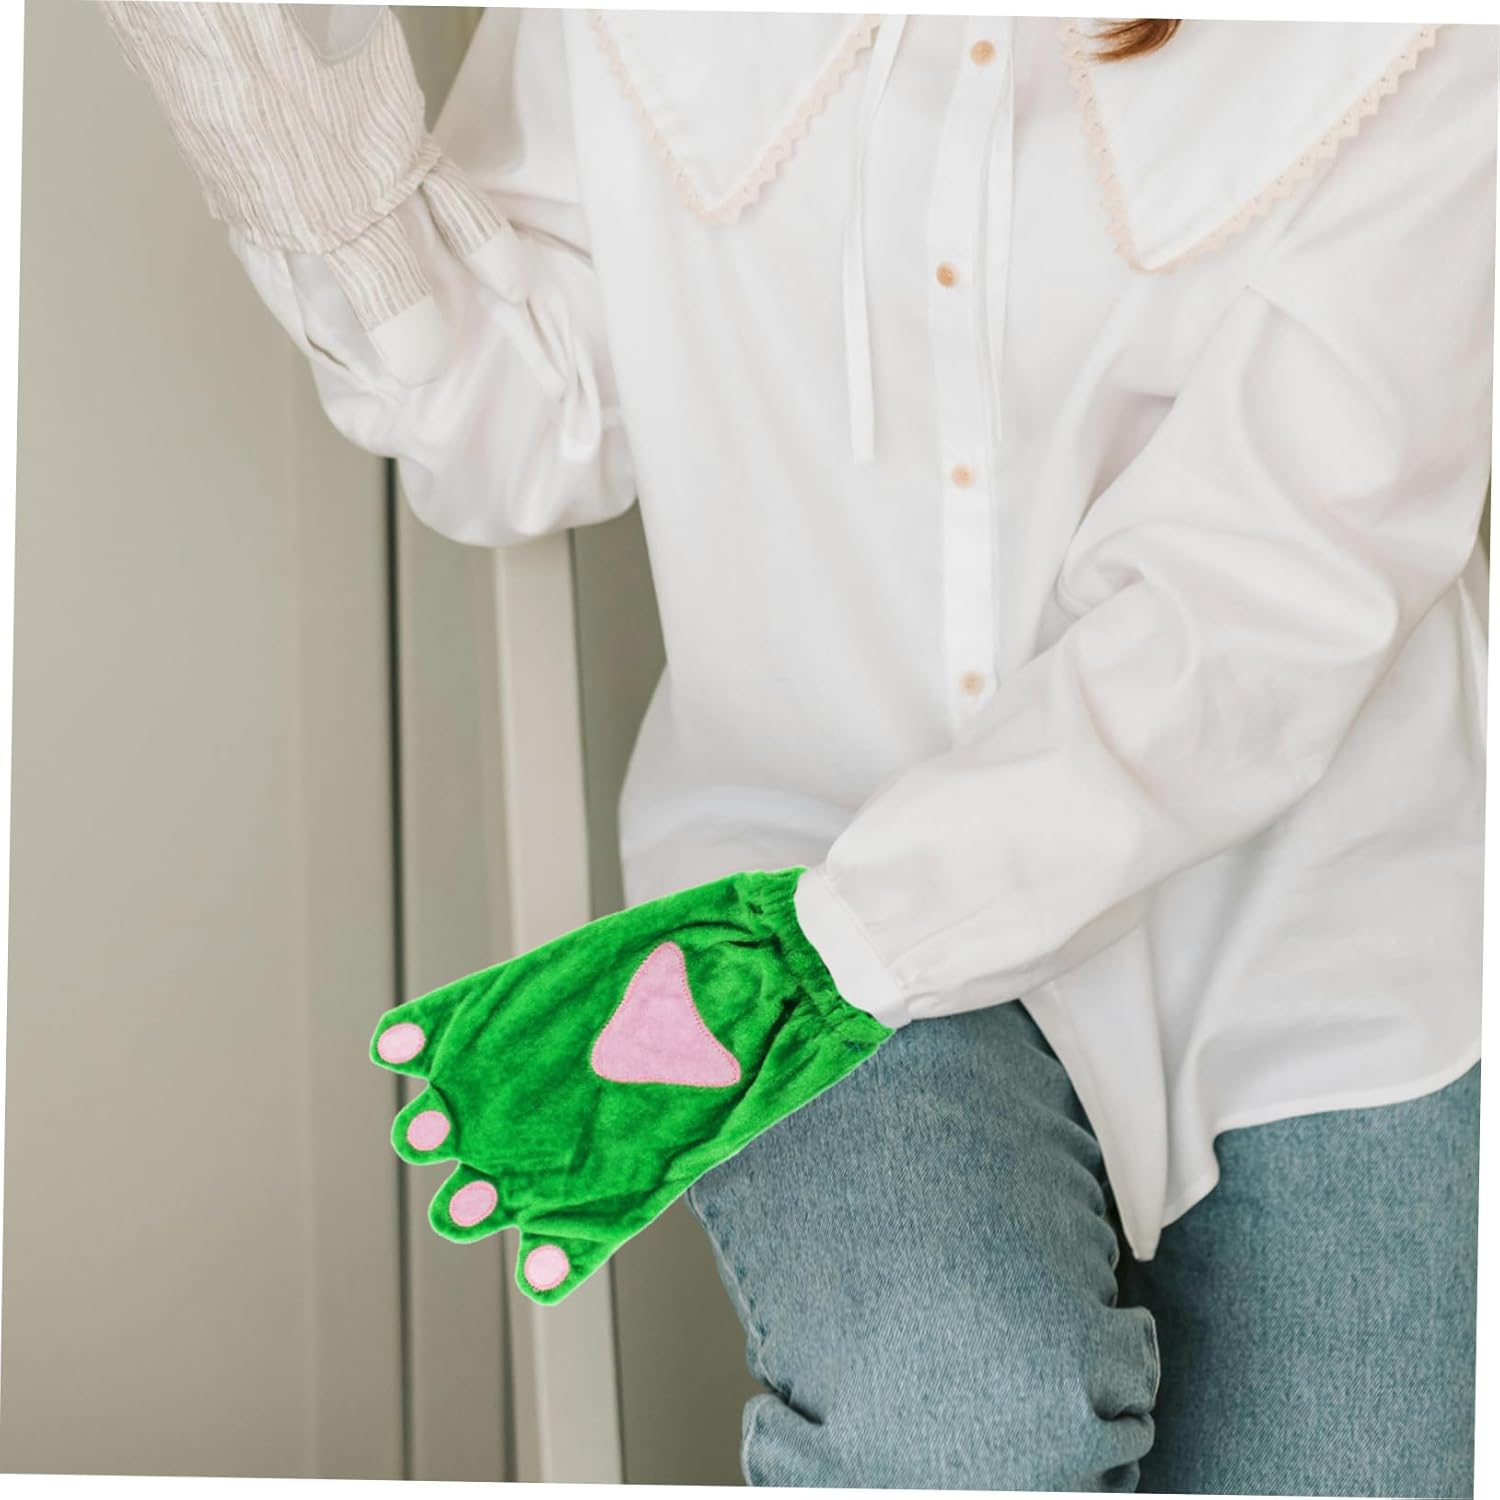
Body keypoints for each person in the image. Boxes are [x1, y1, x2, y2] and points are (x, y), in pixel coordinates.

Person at [102, 6, 1490, 1494]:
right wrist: (260, 73)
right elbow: (522, 419)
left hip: (1308, 933)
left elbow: (1258, 605)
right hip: (816, 846)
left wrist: (808, 965)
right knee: (954, 1419)